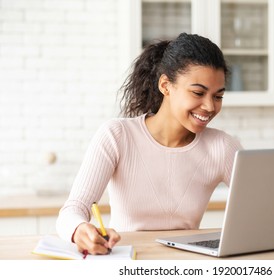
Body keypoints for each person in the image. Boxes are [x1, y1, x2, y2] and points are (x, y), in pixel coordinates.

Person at [56, 33, 242, 255]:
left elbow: (265, 206)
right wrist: (79, 229)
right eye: (198, 93)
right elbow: (73, 209)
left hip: (187, 265)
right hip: (128, 260)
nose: (210, 107)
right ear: (165, 85)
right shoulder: (117, 136)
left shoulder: (222, 147)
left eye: (218, 96)